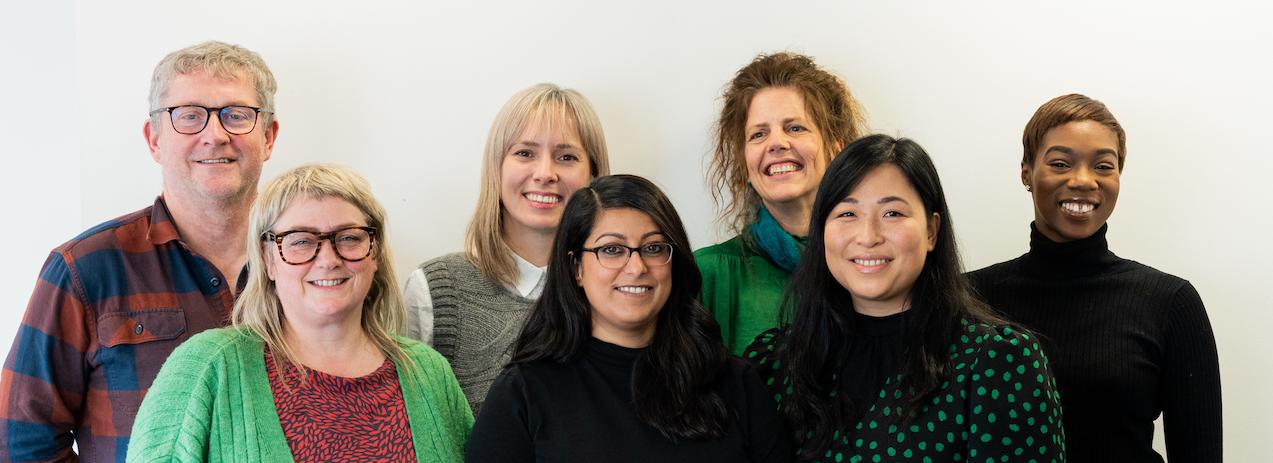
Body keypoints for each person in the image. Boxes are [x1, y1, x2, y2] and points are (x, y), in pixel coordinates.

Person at [0, 41, 280, 462]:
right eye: (189, 116)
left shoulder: (314, 264)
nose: (215, 135)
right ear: (154, 140)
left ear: (269, 137)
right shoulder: (85, 270)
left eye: (236, 115)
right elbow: (20, 442)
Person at [745, 135, 1066, 462]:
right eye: (847, 214)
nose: (868, 236)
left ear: (931, 231)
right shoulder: (776, 364)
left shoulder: (997, 363)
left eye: (893, 213)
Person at [125, 164, 472, 462]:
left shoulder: (428, 373)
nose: (328, 259)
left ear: (375, 252)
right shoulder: (207, 368)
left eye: (349, 238)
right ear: (267, 260)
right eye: (301, 241)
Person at [466, 175, 792, 463]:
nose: (636, 267)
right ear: (575, 267)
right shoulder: (523, 393)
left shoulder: (735, 382)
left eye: (653, 248)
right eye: (612, 250)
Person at [968, 94, 1221, 462]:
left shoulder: (1170, 302)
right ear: (1026, 170)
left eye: (1104, 166)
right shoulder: (968, 298)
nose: (1084, 181)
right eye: (1060, 163)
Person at [403, 83, 610, 413]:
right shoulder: (435, 291)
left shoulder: (623, 288)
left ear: (594, 175)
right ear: (495, 167)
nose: (545, 173)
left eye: (567, 157)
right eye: (525, 153)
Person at [698, 52, 868, 354]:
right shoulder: (708, 275)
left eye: (795, 128)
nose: (776, 143)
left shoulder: (874, 262)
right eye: (759, 134)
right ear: (744, 162)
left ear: (835, 151)